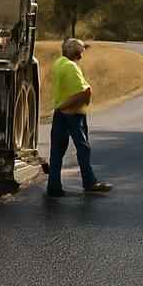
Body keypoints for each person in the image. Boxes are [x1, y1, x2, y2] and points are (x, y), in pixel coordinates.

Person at [47, 37, 113, 198]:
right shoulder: (71, 67)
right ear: (76, 53)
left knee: (57, 151)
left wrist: (60, 107)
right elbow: (84, 92)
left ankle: (53, 186)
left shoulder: (58, 63)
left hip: (59, 113)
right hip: (73, 114)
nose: (82, 56)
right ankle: (89, 182)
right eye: (80, 53)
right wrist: (66, 105)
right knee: (83, 148)